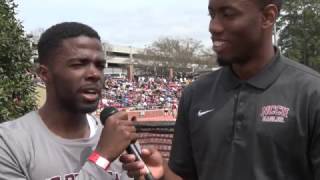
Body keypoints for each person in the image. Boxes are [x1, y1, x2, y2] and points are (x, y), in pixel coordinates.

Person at [120, 0, 320, 179]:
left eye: (228, 14)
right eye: (212, 14)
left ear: (268, 17)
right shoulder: (194, 94)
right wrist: (163, 174)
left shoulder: (312, 93)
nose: (213, 27)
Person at [0, 22, 137, 180]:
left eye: (100, 66)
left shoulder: (120, 137)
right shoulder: (9, 143)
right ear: (44, 74)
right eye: (78, 64)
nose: (95, 74)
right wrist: (102, 158)